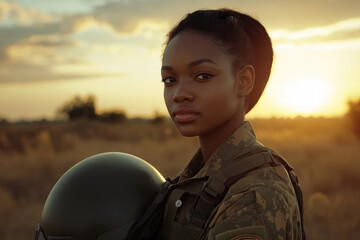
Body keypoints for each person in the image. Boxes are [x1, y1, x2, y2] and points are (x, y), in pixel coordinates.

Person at [152, 8, 305, 240]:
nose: (179, 94)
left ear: (243, 81)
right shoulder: (195, 178)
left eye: (203, 75)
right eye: (170, 80)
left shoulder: (255, 197)